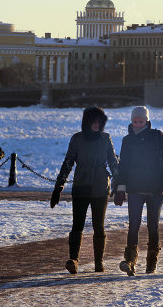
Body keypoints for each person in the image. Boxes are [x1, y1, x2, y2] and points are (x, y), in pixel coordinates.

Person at [52, 107, 119, 274]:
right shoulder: (77, 139)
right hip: (81, 186)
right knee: (77, 225)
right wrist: (58, 187)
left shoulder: (106, 138)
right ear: (87, 122)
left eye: (99, 121)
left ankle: (98, 262)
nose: (96, 124)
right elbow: (68, 163)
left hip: (101, 188)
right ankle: (74, 260)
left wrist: (119, 184)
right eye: (93, 121)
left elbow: (113, 162)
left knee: (99, 226)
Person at [113, 106, 163, 276]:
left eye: (141, 121)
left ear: (147, 120)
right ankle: (130, 261)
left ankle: (151, 261)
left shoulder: (157, 136)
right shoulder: (127, 140)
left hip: (155, 189)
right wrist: (120, 187)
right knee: (133, 225)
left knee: (152, 226)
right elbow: (123, 165)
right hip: (135, 188)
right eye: (135, 121)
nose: (138, 124)